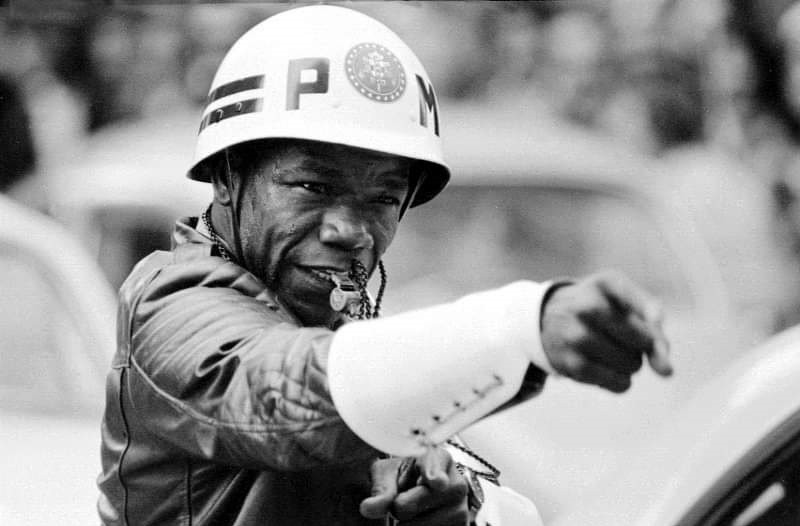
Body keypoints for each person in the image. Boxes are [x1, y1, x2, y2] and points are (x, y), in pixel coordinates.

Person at [97, 6, 672, 525]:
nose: (350, 231)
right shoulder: (168, 307)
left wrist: (448, 501)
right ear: (227, 176)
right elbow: (282, 387)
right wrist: (525, 326)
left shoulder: (336, 325)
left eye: (382, 199)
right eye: (312, 186)